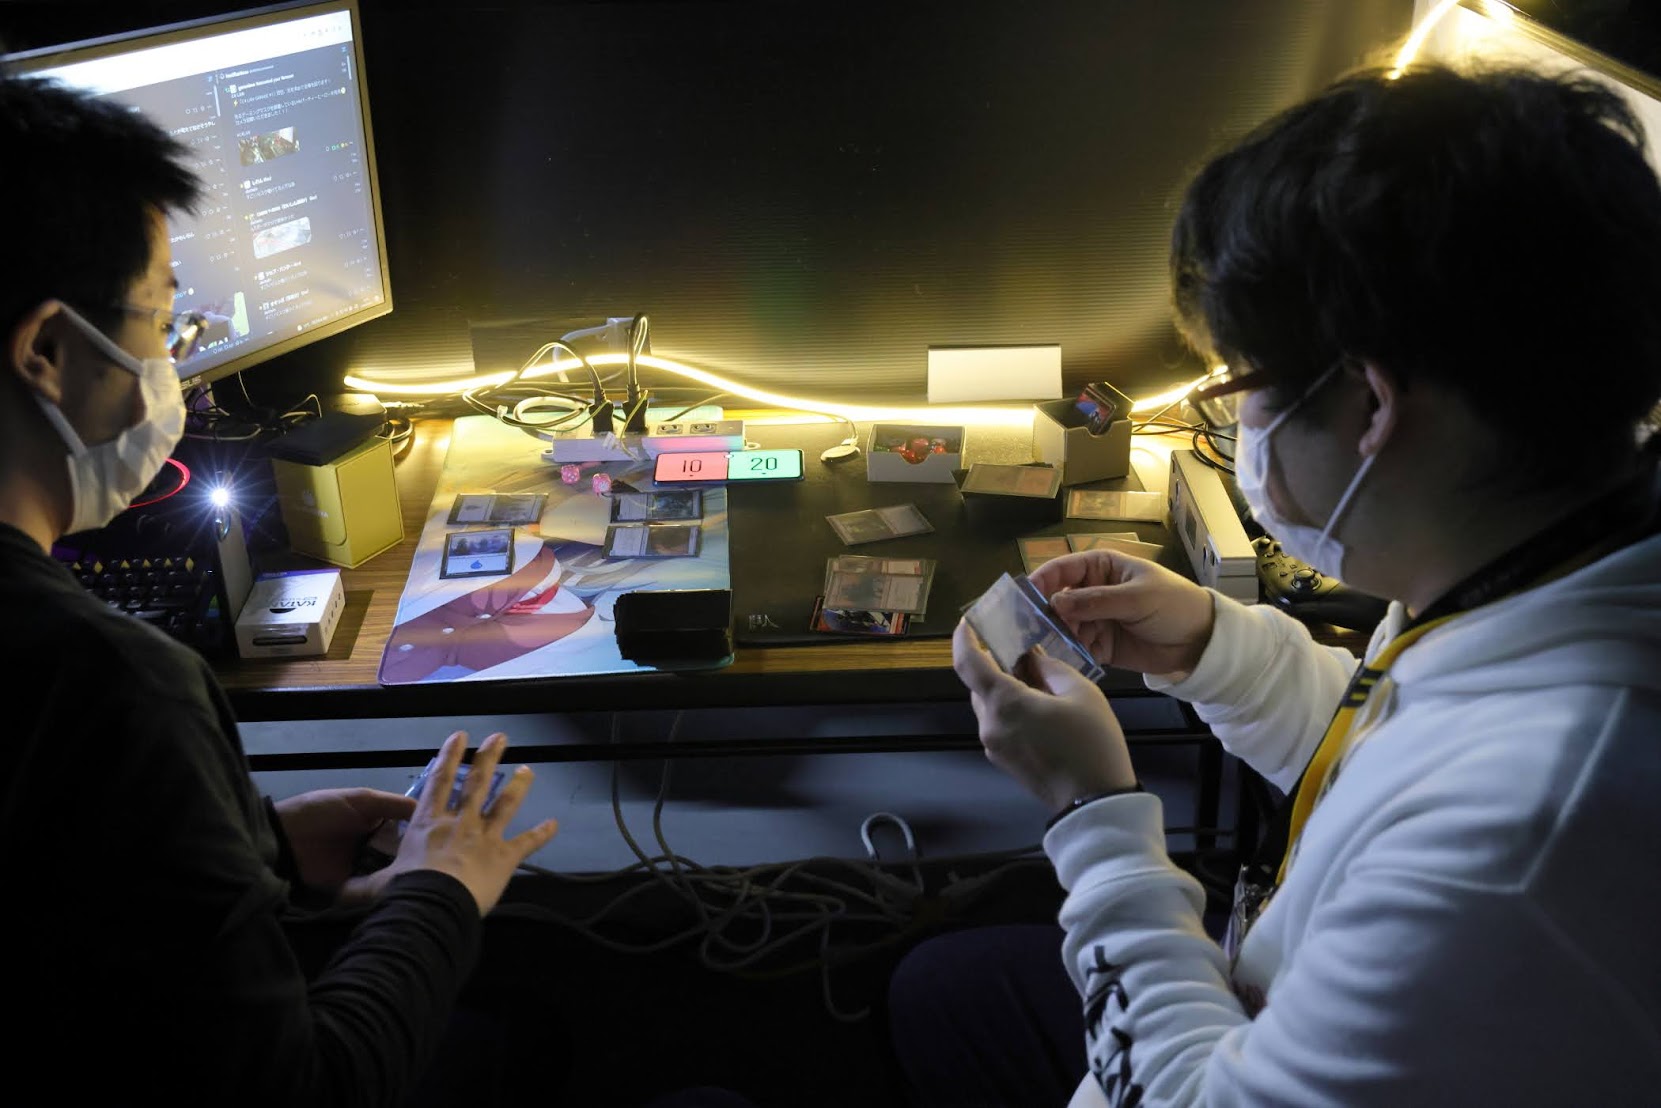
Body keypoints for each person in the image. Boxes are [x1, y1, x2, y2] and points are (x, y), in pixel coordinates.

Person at [904, 61, 1661, 1106]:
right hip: (1269, 981)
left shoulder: (1522, 843)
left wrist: (1094, 813)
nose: (1237, 423)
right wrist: (1214, 650)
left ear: (1370, 406)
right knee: (941, 989)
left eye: (1240, 388)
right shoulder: (1541, 555)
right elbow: (1399, 746)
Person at [0, 72, 562, 1105]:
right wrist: (443, 887)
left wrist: (251, 841)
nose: (176, 362)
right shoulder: (113, 685)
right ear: (46, 350)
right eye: (163, 320)